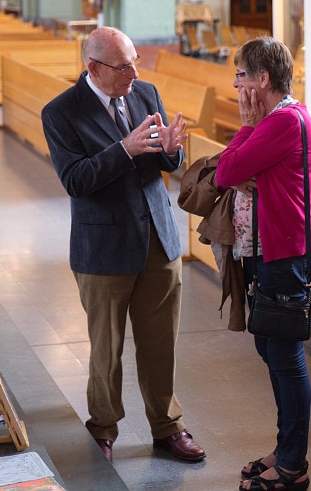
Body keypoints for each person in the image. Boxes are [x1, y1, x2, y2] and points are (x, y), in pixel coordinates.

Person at [40, 27, 206, 464]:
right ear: (94, 68)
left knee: (160, 342)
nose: (134, 73)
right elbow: (76, 180)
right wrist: (125, 149)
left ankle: (167, 426)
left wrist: (171, 151)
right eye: (123, 66)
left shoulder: (145, 93)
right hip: (104, 246)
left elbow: (166, 161)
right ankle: (103, 428)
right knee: (106, 347)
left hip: (157, 239)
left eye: (135, 61)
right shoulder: (61, 112)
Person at [215, 37, 311, 491]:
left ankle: (293, 465)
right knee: (271, 348)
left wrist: (245, 126)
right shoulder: (280, 119)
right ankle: (285, 448)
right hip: (273, 249)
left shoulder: (281, 122)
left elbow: (226, 173)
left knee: (285, 356)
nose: (236, 85)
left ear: (262, 79)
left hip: (286, 251)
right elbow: (234, 172)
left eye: (241, 75)